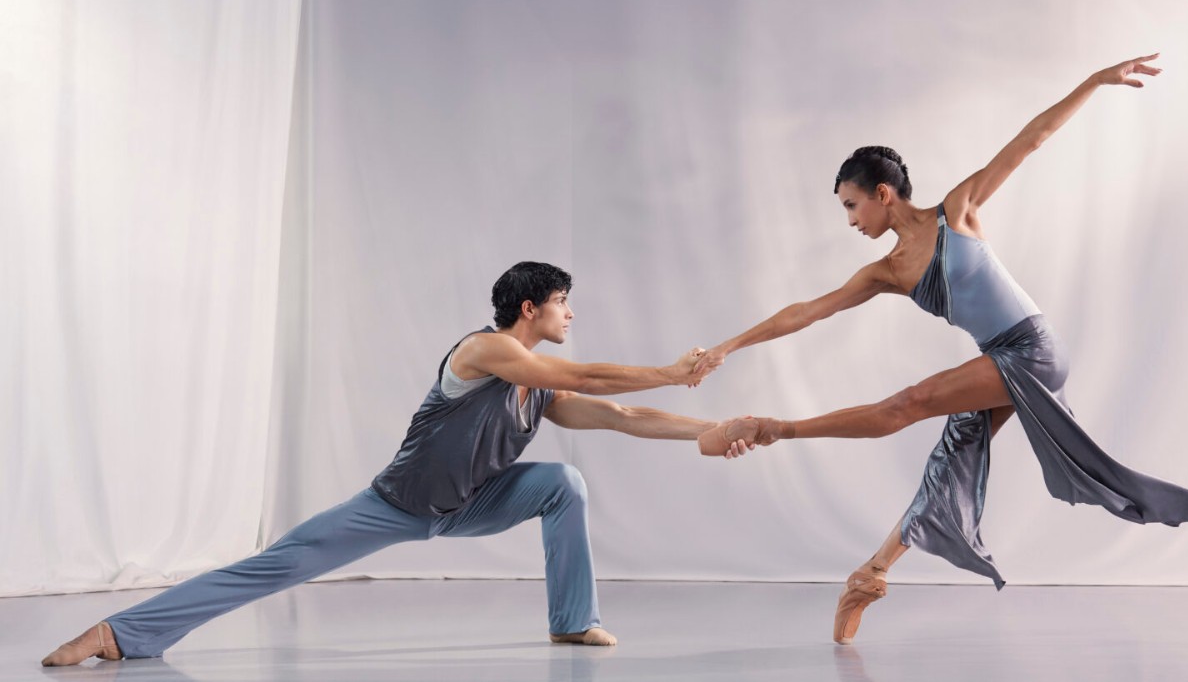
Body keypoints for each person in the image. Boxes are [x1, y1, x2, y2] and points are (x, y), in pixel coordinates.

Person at [692, 54, 1188, 644]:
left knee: (908, 403)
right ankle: (869, 575)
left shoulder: (957, 210)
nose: (848, 219)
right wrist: (729, 346)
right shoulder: (884, 272)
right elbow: (807, 311)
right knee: (949, 461)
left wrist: (1094, 82)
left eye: (850, 204)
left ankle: (773, 429)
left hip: (1033, 351)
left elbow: (1030, 142)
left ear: (882, 194)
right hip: (1000, 359)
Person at [43, 261, 742, 666]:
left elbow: (619, 415)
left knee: (563, 482)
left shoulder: (540, 385)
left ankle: (571, 617)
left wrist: (713, 427)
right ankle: (120, 633)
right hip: (395, 505)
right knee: (278, 563)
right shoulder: (485, 349)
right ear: (530, 307)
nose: (571, 314)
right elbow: (592, 378)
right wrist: (671, 370)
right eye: (564, 304)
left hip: (471, 503)